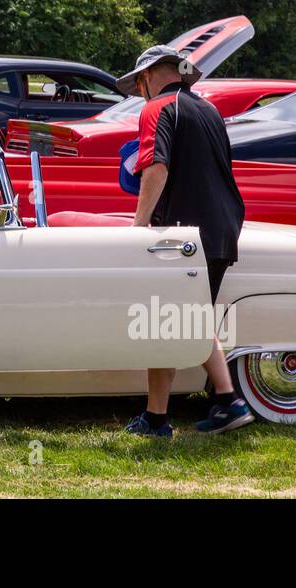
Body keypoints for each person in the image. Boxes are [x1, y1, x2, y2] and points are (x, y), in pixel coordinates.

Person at [115, 45, 253, 438]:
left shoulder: (156, 109)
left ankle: (217, 404)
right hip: (223, 227)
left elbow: (155, 166)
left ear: (148, 77)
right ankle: (178, 413)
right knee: (183, 320)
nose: (140, 89)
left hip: (182, 234)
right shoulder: (209, 110)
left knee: (168, 321)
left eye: (140, 81)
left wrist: (139, 225)